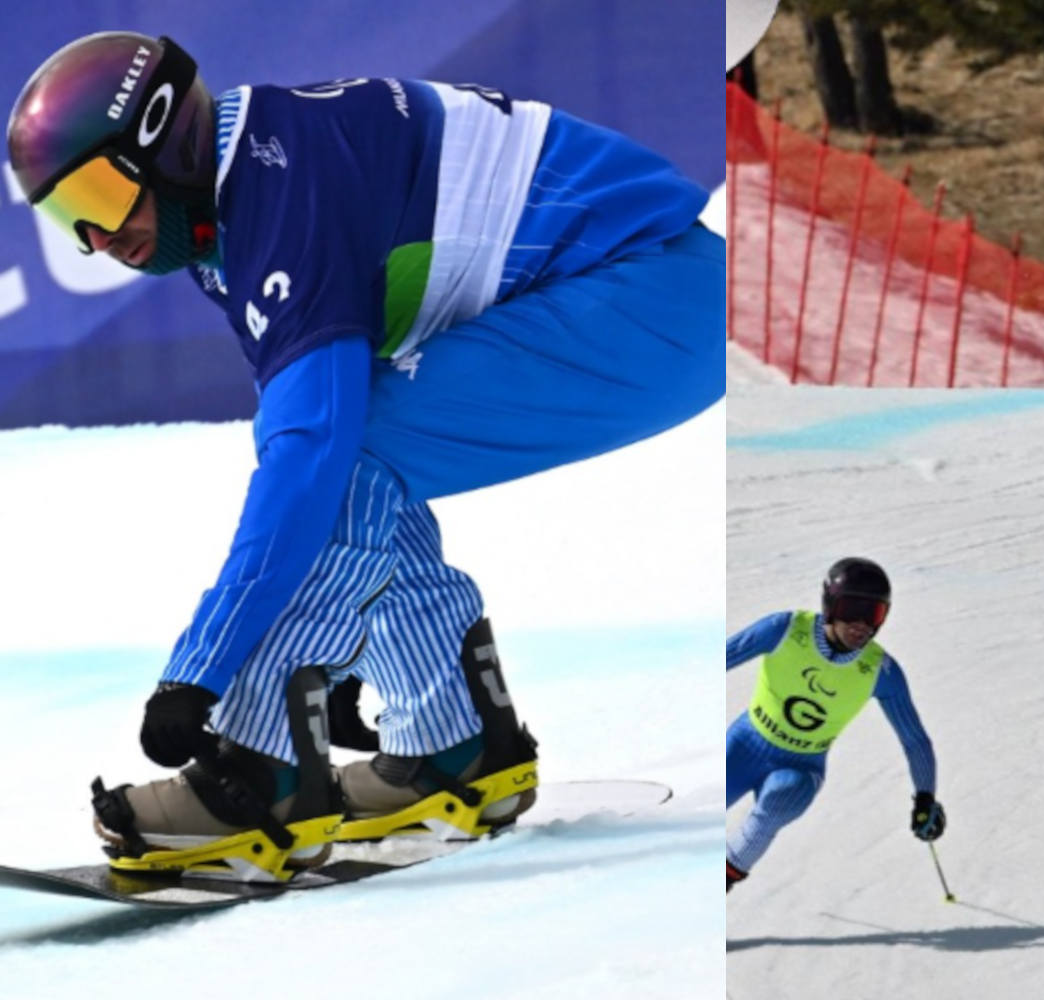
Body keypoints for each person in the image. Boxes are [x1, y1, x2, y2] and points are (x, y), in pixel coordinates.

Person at [7, 32, 723, 880]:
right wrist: (336, 637)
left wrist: (203, 672)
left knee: (349, 451)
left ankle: (258, 775)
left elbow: (312, 461)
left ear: (169, 143)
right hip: (662, 290)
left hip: (653, 293)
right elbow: (313, 442)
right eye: (66, 215)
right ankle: (452, 743)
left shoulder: (278, 196)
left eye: (100, 193)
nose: (95, 237)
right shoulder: (245, 186)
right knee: (357, 443)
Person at [725, 558, 942, 892]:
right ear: (829, 606)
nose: (862, 625)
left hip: (800, 768)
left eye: (874, 614)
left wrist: (925, 797)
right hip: (744, 746)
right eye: (852, 609)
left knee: (783, 798)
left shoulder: (880, 671)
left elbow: (914, 741)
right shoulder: (784, 630)